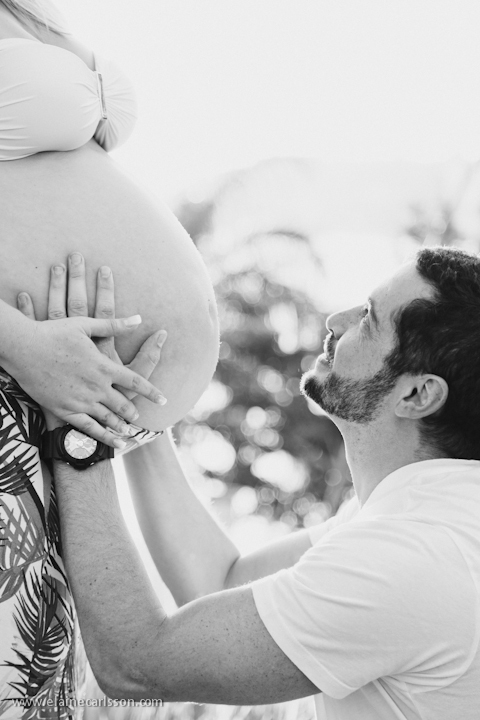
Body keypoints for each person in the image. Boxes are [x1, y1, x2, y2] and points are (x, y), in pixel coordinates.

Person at [31, 244, 480, 720]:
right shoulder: (424, 515)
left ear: (418, 394)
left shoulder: (415, 555)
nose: (337, 321)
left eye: (368, 319)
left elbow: (135, 666)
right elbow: (218, 582)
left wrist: (78, 417)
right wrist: (129, 403)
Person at [0, 0, 218, 714]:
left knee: (31, 679)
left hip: (61, 418)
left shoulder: (36, 14)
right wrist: (21, 343)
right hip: (18, 378)